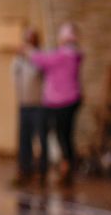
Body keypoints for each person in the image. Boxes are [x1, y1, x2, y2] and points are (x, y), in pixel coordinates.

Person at [29, 22, 83, 179]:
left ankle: (65, 165)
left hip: (61, 101)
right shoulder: (72, 55)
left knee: (61, 134)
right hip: (66, 100)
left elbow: (42, 60)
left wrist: (30, 51)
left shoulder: (65, 56)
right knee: (64, 134)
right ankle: (65, 163)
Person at [13, 28, 47, 181]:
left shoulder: (41, 58)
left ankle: (42, 169)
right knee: (24, 137)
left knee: (40, 137)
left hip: (39, 104)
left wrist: (32, 54)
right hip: (24, 103)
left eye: (32, 41)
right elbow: (14, 78)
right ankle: (24, 167)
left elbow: (42, 73)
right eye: (27, 41)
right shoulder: (19, 61)